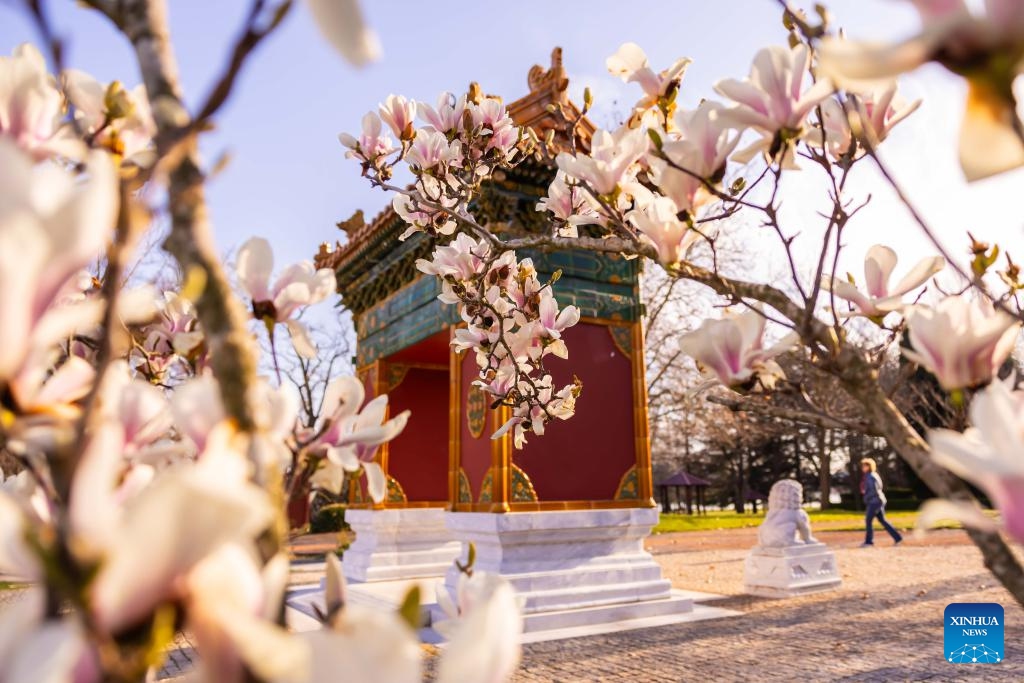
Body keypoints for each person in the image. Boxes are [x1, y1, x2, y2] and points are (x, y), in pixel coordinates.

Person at [860, 458, 903, 547]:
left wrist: (866, 497)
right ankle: (898, 537)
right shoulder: (873, 475)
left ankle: (869, 542)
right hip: (878, 500)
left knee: (868, 520)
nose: (862, 468)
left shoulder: (870, 477)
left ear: (869, 466)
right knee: (882, 520)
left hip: (874, 502)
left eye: (864, 466)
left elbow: (873, 491)